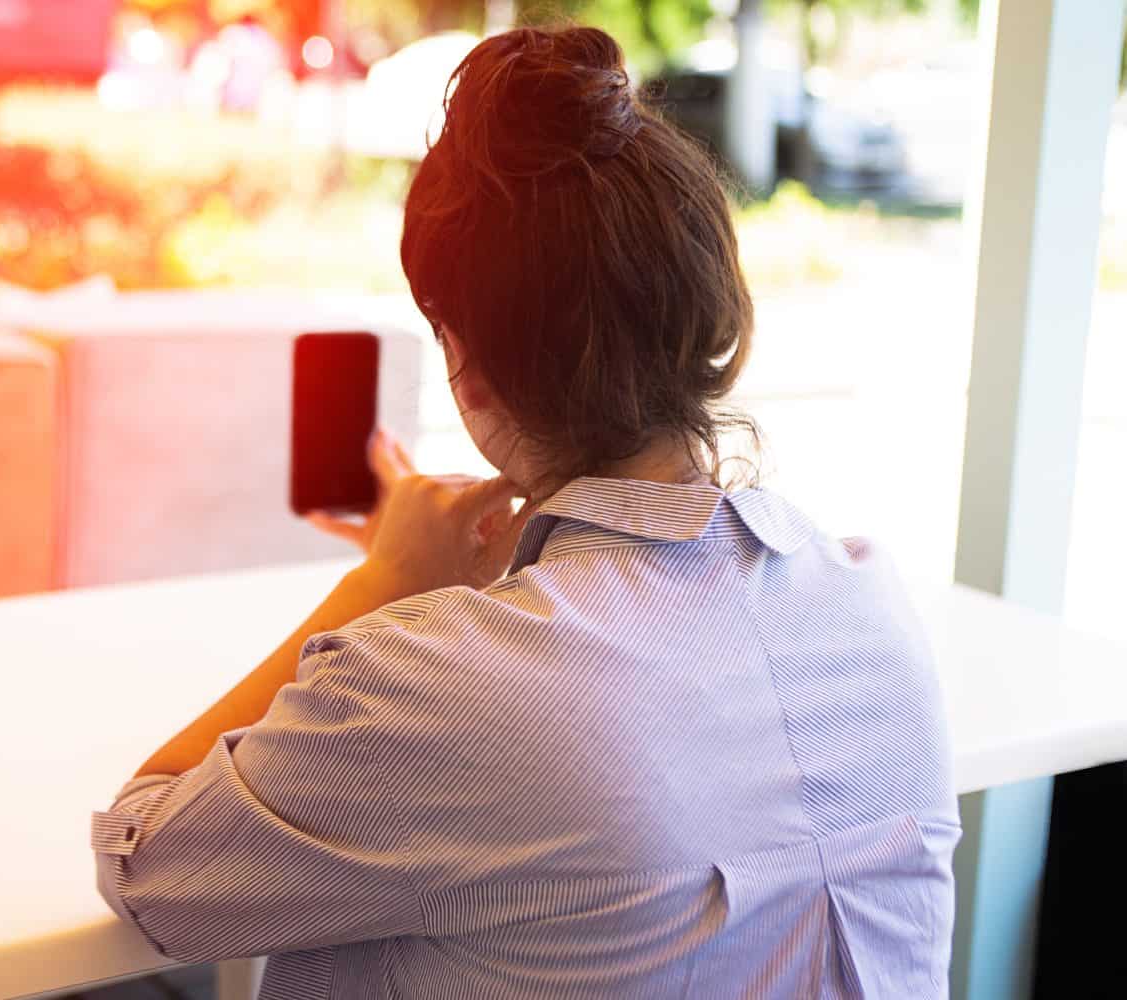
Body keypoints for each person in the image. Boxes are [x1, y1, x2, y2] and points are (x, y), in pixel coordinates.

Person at [93, 24, 958, 999]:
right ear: (716, 322)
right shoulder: (870, 606)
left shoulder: (446, 685)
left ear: (465, 368)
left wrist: (385, 585)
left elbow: (146, 859)